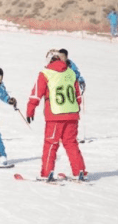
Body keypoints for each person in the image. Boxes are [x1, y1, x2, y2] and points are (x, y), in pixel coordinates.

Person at [26, 50, 87, 180]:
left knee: (51, 144)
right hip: (72, 114)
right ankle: (79, 171)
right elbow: (78, 95)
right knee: (71, 143)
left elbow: (36, 93)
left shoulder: (46, 73)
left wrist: (30, 110)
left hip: (55, 115)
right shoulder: (71, 72)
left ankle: (46, 173)